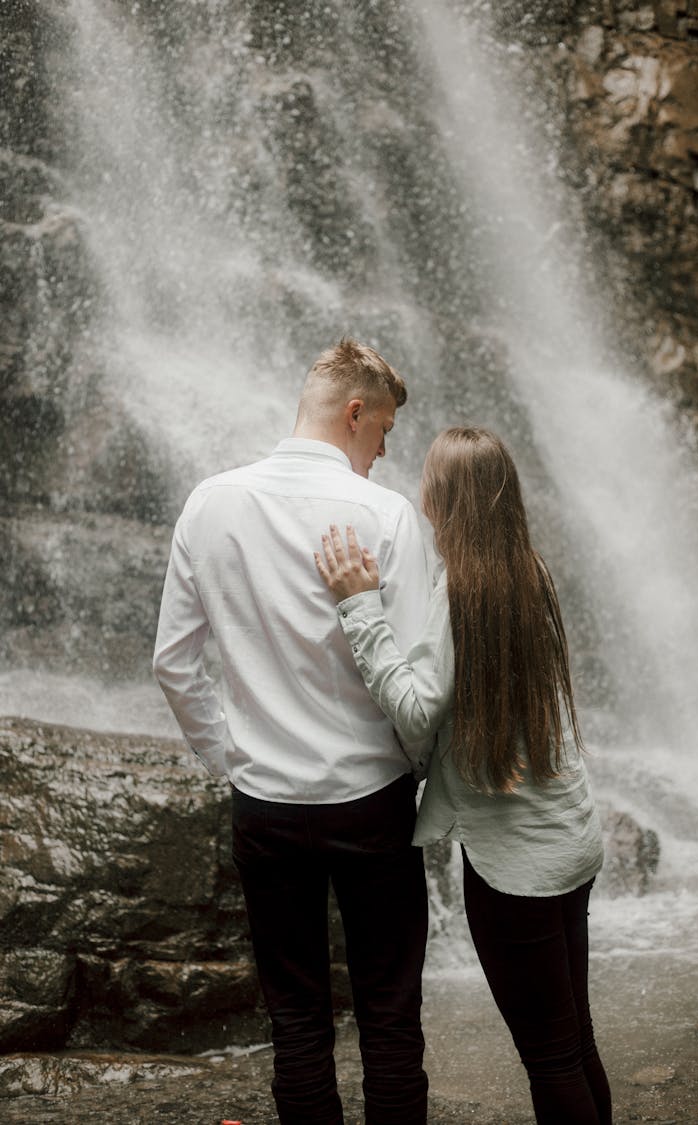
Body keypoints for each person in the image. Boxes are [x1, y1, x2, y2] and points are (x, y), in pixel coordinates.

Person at [153, 339, 432, 1125]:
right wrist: (413, 771)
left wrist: (235, 757)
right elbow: (415, 682)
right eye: (382, 433)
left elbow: (173, 664)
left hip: (266, 805)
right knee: (390, 1018)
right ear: (354, 413)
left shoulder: (210, 503)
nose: (383, 452)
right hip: (373, 801)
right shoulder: (385, 515)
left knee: (298, 1021)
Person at [315, 426, 613, 1125]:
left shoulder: (461, 596)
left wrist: (361, 607)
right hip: (571, 839)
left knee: (550, 1055)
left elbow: (418, 710)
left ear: (443, 500)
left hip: (516, 868)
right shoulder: (528, 571)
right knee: (575, 1038)